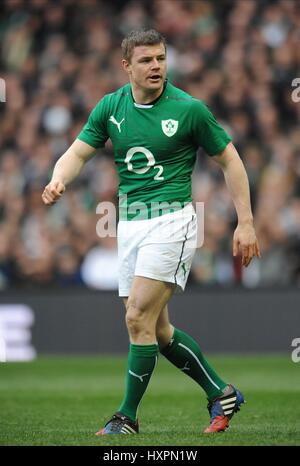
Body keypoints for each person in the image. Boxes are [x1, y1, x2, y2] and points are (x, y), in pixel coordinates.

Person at [42, 29, 260, 435]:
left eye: (160, 58)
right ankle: (221, 392)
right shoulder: (110, 107)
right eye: (146, 60)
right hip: (130, 224)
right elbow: (77, 153)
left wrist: (245, 221)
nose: (156, 66)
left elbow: (231, 161)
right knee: (156, 331)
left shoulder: (189, 109)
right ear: (127, 66)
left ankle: (126, 416)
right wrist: (59, 180)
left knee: (137, 315)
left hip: (173, 219)